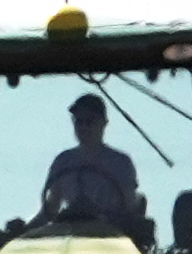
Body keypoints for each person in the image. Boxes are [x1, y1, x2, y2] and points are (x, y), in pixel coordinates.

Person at [40, 93, 146, 237]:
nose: (83, 127)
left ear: (104, 123)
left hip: (110, 240)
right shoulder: (63, 161)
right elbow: (50, 210)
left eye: (89, 121)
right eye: (79, 121)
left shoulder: (121, 163)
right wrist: (20, 230)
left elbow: (129, 211)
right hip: (70, 238)